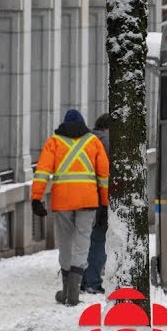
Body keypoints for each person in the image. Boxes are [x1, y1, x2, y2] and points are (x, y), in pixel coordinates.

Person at [31, 109, 110, 306]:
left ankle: (66, 290)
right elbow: (103, 175)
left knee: (65, 242)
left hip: (62, 201)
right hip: (87, 200)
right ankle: (74, 293)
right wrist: (106, 202)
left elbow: (42, 172)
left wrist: (36, 198)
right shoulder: (93, 142)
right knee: (83, 241)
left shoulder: (54, 142)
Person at [80, 114, 110, 295]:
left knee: (85, 241)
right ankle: (92, 281)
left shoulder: (85, 139)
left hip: (81, 198)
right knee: (99, 241)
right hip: (100, 199)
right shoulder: (107, 141)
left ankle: (82, 279)